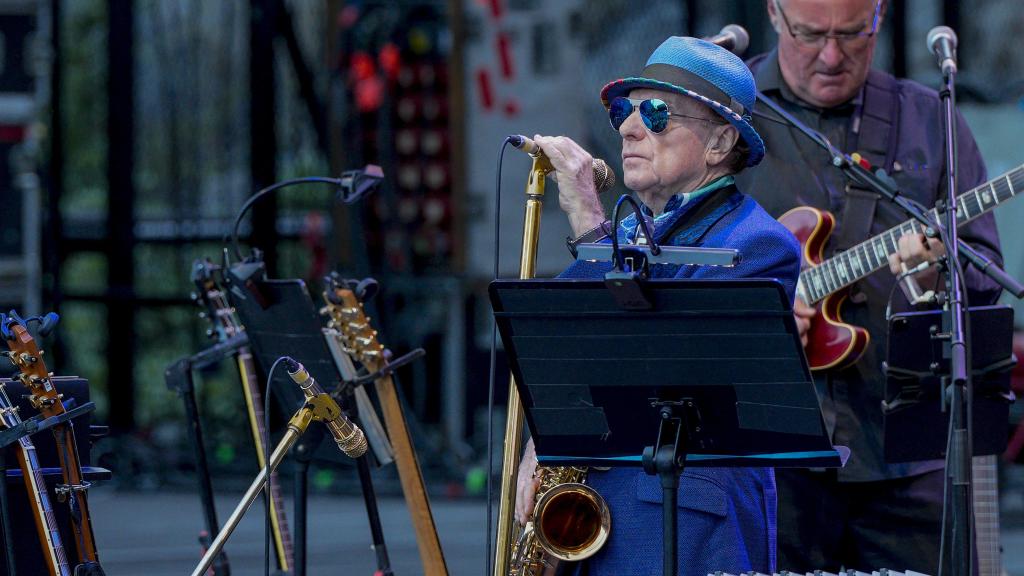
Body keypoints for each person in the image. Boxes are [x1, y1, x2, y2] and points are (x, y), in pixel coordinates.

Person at [514, 36, 801, 575]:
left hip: (686, 531)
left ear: (719, 140)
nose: (626, 127)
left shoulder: (759, 243)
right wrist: (544, 443)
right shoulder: (627, 231)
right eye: (625, 110)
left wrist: (586, 218)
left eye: (655, 112)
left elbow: (647, 357)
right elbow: (568, 356)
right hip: (601, 522)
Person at [733, 1, 1004, 573]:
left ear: (878, 19)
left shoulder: (931, 118)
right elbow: (673, 258)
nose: (832, 56)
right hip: (768, 450)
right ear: (775, 15)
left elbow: (986, 273)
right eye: (810, 35)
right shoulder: (727, 110)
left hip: (905, 453)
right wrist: (757, 311)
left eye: (852, 34)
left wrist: (935, 271)